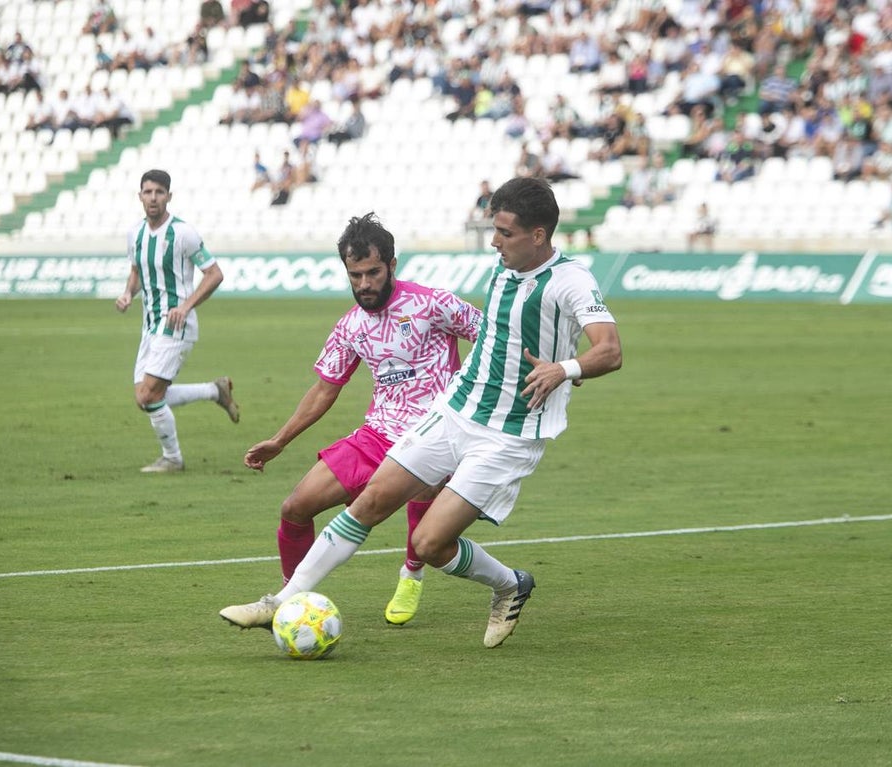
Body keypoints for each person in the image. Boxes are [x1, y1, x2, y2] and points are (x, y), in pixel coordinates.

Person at [220, 177, 623, 648]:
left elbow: (610, 350)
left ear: (537, 235)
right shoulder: (503, 272)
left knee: (430, 544)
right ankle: (280, 601)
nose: (494, 241)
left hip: (508, 433)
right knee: (369, 502)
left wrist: (565, 368)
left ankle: (510, 585)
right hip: (455, 410)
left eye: (504, 233)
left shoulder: (571, 280)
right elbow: (493, 338)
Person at [234, 212, 483, 624]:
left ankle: (411, 574)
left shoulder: (432, 303)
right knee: (295, 507)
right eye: (355, 275)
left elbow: (494, 337)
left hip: (434, 433)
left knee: (425, 491)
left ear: (391, 265)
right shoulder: (350, 327)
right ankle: (292, 599)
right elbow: (324, 390)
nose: (364, 284)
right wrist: (280, 440)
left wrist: (550, 370)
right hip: (377, 434)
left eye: (373, 273)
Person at [115, 169, 240, 473]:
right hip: (150, 325)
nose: (153, 198)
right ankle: (215, 391)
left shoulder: (183, 234)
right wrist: (128, 293)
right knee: (145, 398)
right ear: (140, 196)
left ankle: (172, 459)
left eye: (159, 192)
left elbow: (214, 274)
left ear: (169, 196)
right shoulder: (135, 234)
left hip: (176, 326)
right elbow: (137, 271)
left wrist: (186, 306)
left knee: (149, 394)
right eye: (148, 192)